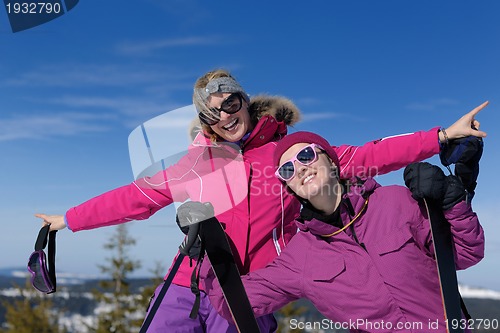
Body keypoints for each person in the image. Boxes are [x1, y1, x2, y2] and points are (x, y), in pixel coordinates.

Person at [35, 69, 488, 333]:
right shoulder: (196, 163)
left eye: (230, 102)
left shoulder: (293, 154)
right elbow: (133, 199)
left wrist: (440, 136)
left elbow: (370, 154)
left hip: (250, 289)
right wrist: (67, 220)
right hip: (186, 284)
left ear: (245, 101)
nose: (224, 116)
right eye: (211, 112)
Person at [203, 131, 485, 333]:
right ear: (288, 187)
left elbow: (466, 253)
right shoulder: (301, 256)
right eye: (287, 170)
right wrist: (208, 252)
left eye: (306, 155)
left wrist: (451, 201)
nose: (299, 169)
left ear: (332, 162)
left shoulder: (395, 201)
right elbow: (234, 302)